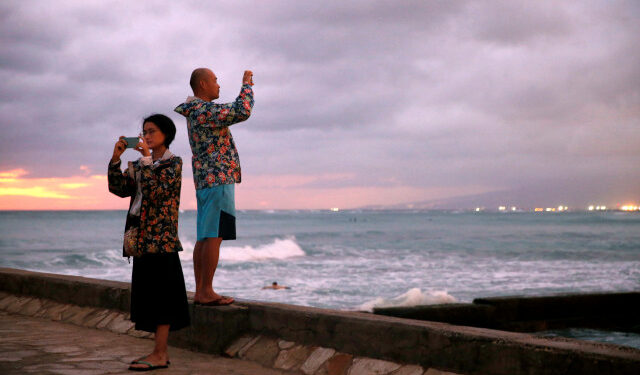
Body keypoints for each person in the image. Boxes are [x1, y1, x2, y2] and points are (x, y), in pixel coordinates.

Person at [108, 114, 189, 371]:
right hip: (141, 239)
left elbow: (157, 191)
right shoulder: (138, 163)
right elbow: (118, 189)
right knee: (149, 298)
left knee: (163, 299)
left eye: (152, 131)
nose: (147, 136)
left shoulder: (173, 163)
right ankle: (158, 352)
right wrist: (116, 159)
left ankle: (160, 353)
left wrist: (144, 160)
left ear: (166, 134)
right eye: (144, 131)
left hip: (161, 240)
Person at [174, 68, 254, 306]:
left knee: (206, 236)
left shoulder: (195, 111)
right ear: (203, 84)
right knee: (214, 236)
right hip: (218, 178)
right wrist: (247, 84)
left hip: (206, 181)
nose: (218, 85)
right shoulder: (203, 110)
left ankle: (202, 290)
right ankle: (205, 291)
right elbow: (242, 110)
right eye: (215, 81)